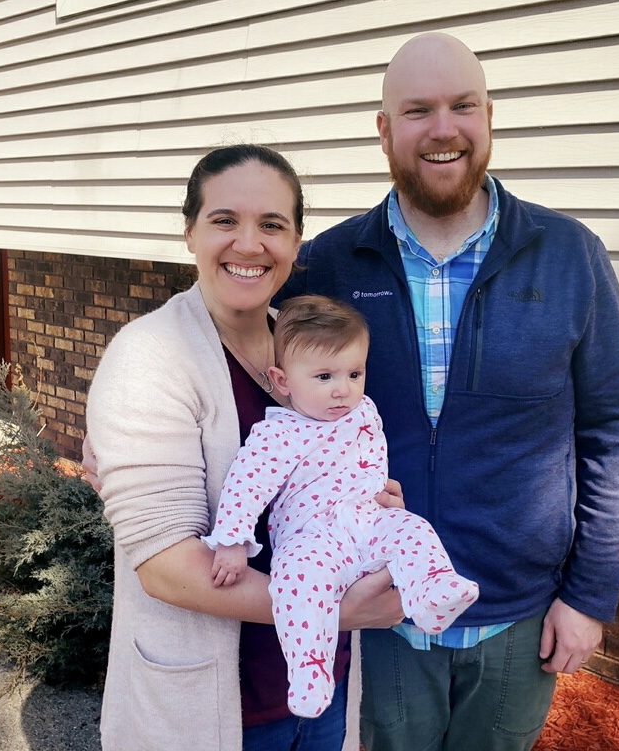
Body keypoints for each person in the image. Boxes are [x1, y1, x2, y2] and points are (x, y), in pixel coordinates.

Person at [275, 32, 619, 751]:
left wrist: (587, 597)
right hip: (381, 609)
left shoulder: (569, 255)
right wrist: (138, 419)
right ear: (383, 131)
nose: (442, 129)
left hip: (518, 617)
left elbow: (611, 429)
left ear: (488, 117)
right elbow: (239, 346)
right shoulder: (329, 261)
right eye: (417, 110)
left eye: (461, 106)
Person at [84, 144, 404, 751]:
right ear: (190, 232)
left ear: (297, 241)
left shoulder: (309, 348)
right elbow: (168, 571)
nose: (249, 244)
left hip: (321, 687)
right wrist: (335, 612)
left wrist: (370, 501)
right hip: (218, 706)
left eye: (272, 225)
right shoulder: (150, 358)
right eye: (225, 220)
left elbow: (332, 465)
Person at [203, 294, 478, 719]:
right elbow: (246, 485)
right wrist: (233, 542)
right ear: (282, 381)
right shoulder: (278, 434)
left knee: (412, 528)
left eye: (354, 373)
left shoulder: (363, 411)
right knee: (295, 582)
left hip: (369, 523)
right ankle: (310, 667)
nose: (343, 389)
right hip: (314, 540)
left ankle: (432, 592)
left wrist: (385, 502)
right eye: (325, 375)